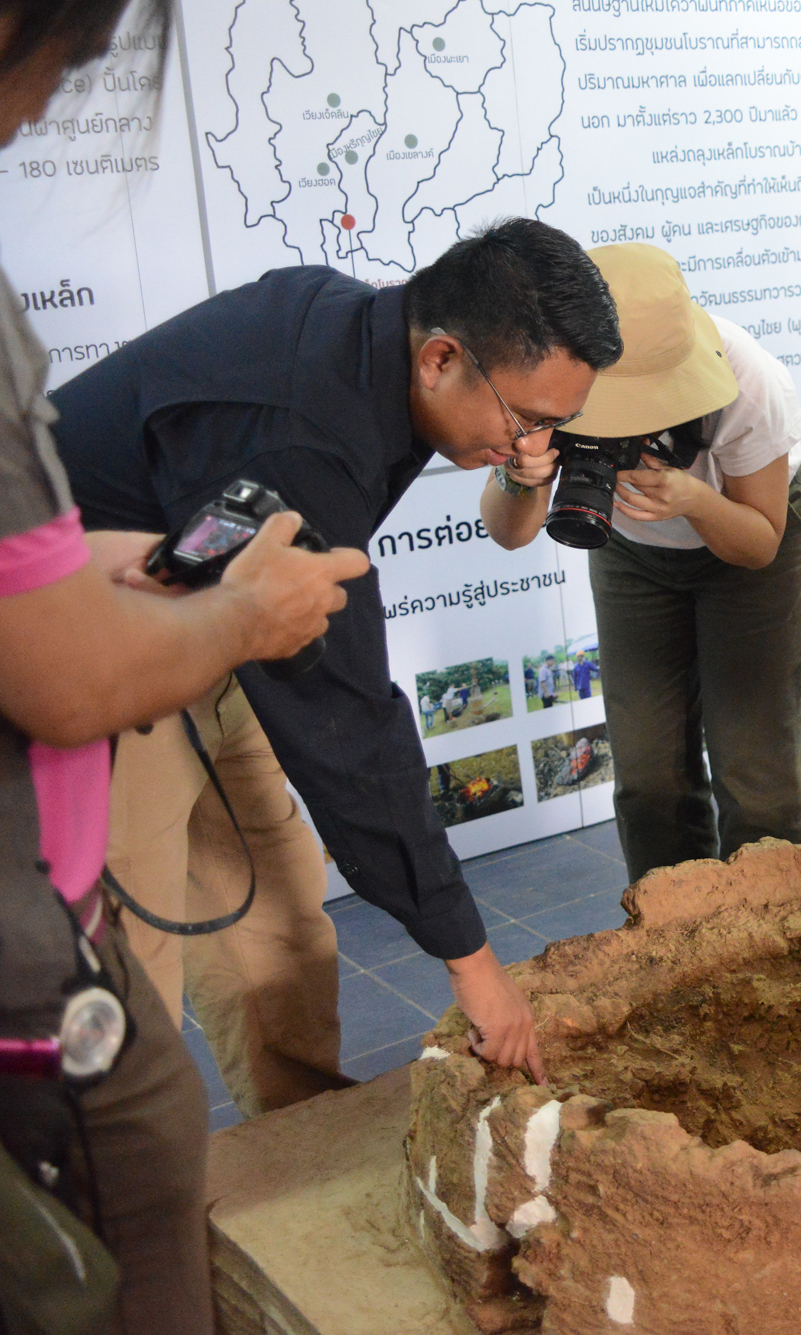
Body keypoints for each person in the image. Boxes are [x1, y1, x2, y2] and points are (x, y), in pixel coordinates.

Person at [49, 219, 623, 1112]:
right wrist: (474, 964)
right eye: (527, 419)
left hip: (211, 626)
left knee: (279, 924)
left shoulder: (368, 336)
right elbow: (350, 727)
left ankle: (297, 1141)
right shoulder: (301, 436)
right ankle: (116, 1182)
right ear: (439, 359)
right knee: (127, 977)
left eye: (557, 424)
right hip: (99, 658)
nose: (529, 445)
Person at [0, 8, 371, 1330]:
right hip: (45, 887)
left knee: (272, 902)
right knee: (124, 1182)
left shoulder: (332, 343)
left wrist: (130, 568)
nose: (49, 109)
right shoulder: (317, 411)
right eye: (67, 63)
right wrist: (243, 617)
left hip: (136, 648)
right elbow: (63, 678)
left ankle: (300, 1140)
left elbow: (32, 565)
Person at [483, 244, 801, 882]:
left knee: (757, 776)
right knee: (647, 777)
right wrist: (520, 475)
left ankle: (771, 929)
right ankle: (671, 931)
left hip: (744, 545)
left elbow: (759, 544)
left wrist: (693, 499)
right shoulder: (546, 372)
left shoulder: (748, 378)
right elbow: (510, 534)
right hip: (631, 554)